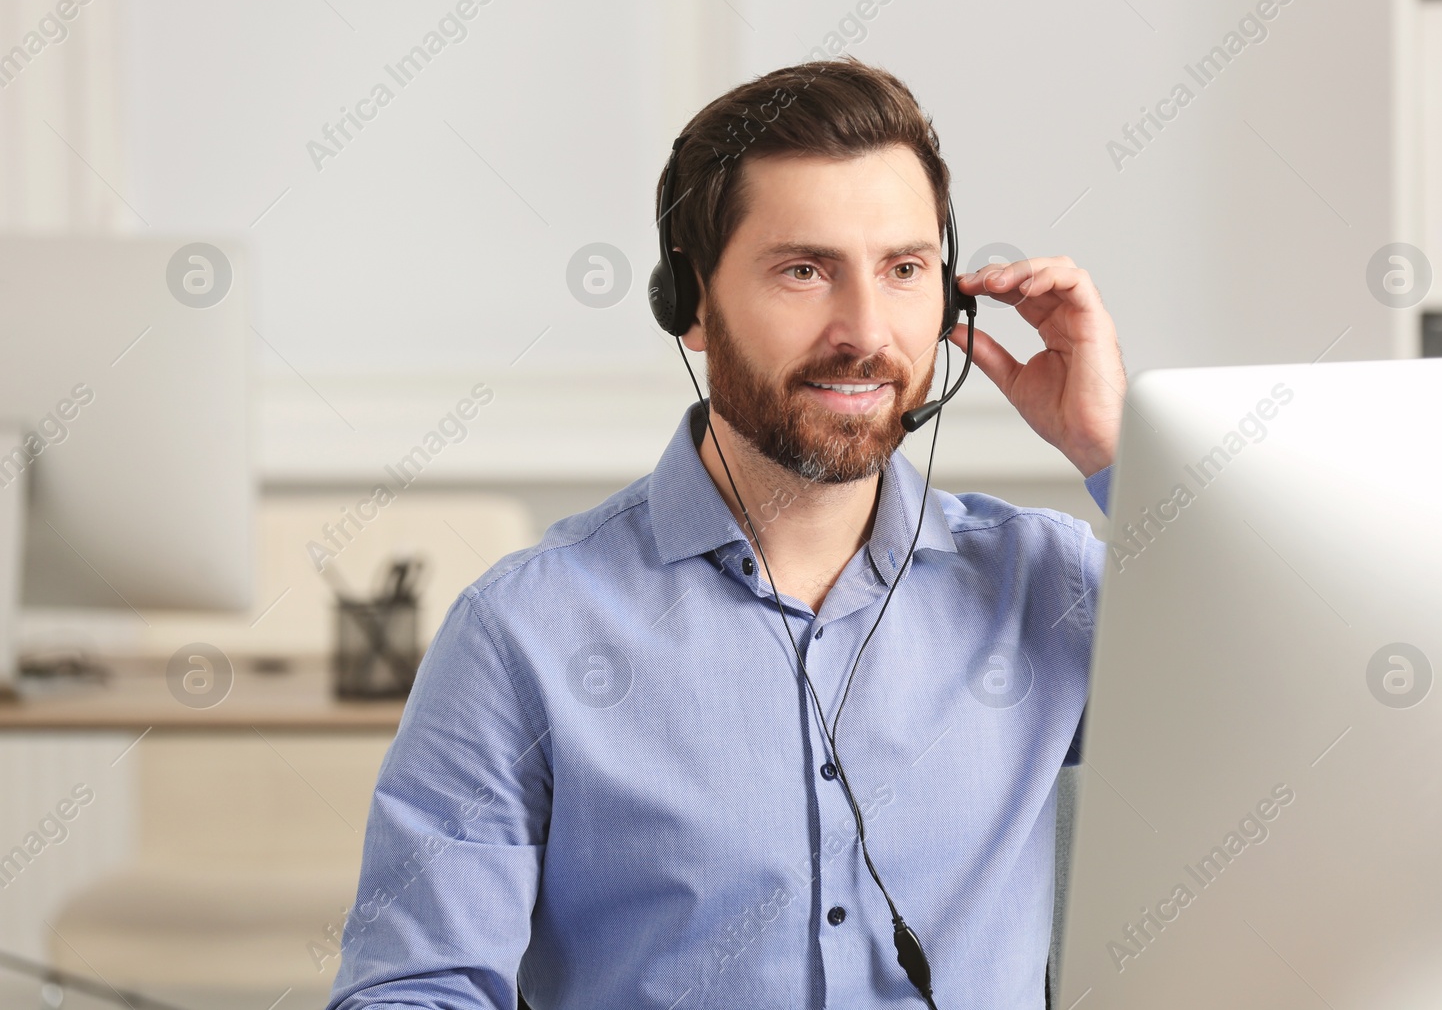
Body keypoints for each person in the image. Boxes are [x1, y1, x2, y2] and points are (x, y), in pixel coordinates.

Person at [326, 56, 1126, 1010]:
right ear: (692, 303)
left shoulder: (1052, 585)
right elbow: (413, 989)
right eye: (804, 270)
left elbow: (1324, 730)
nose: (866, 330)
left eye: (905, 269)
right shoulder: (523, 632)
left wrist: (1119, 454)